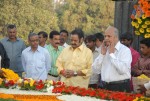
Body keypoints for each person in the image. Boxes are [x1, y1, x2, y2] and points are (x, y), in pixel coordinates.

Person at [92, 26, 132, 92]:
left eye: (109, 36)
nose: (106, 38)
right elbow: (95, 70)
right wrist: (102, 55)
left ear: (116, 37)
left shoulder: (125, 50)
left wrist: (111, 54)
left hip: (120, 87)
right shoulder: (105, 50)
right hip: (104, 87)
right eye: (105, 36)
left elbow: (123, 70)